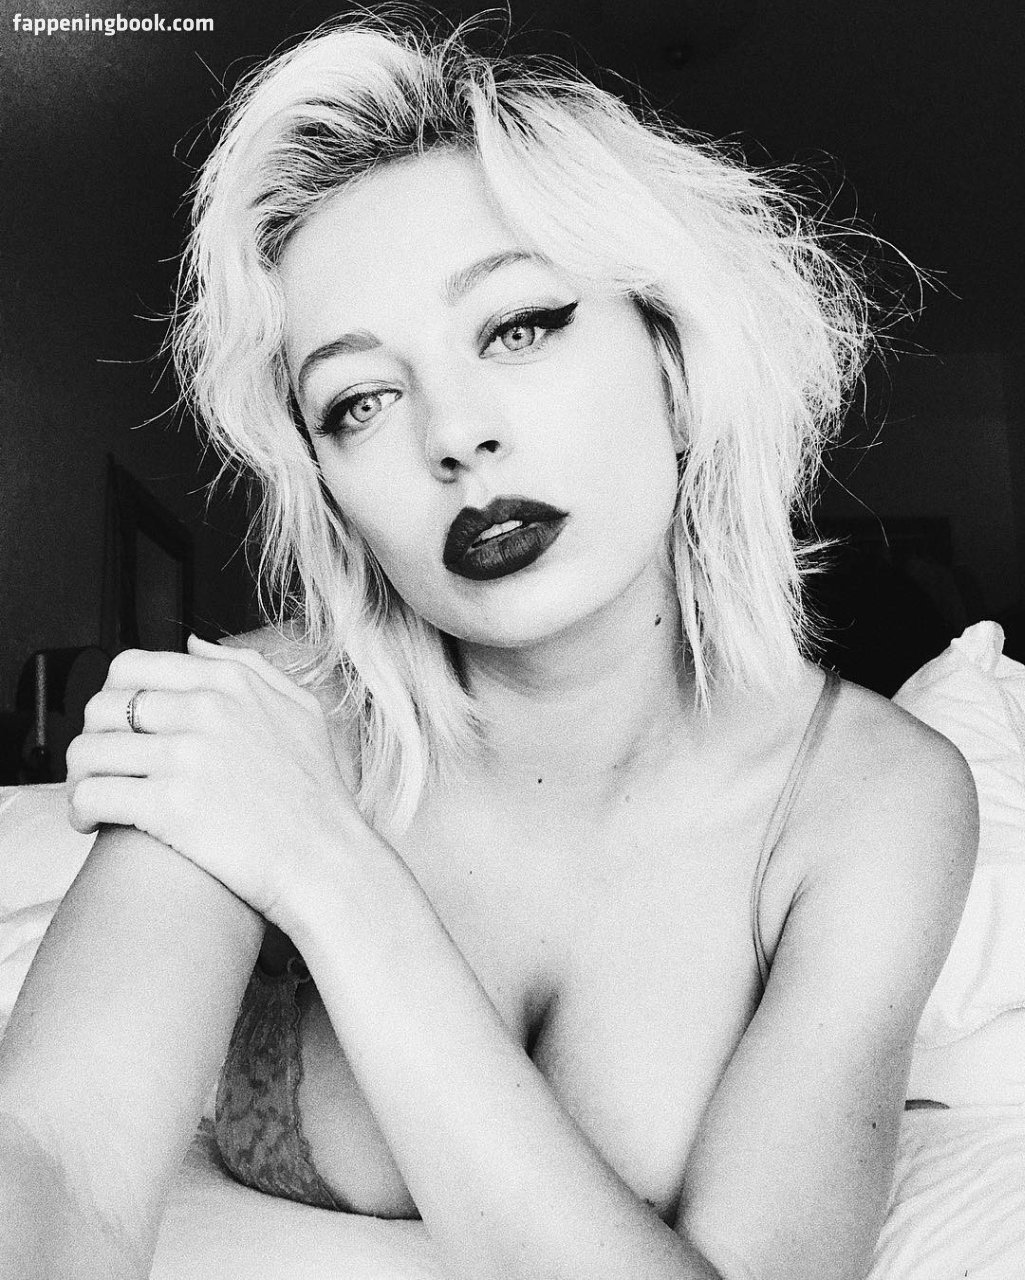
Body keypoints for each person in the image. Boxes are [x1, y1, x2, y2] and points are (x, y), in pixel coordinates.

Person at [0, 14, 978, 1280]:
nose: (453, 433)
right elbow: (53, 1156)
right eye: (360, 399)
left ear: (674, 365)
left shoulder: (872, 796)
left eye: (516, 325)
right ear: (330, 488)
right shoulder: (254, 724)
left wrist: (331, 873)